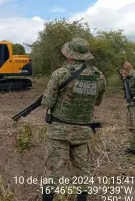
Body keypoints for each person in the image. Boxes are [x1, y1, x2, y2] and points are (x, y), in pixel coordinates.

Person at [40, 38, 106, 201]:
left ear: (70, 55)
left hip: (59, 133)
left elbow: (47, 102)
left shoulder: (61, 74)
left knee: (53, 173)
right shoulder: (99, 76)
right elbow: (97, 102)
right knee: (83, 171)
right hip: (83, 133)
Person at [119, 61, 135, 154]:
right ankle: (133, 148)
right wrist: (124, 77)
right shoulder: (128, 78)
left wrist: (131, 71)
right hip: (130, 105)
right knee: (131, 126)